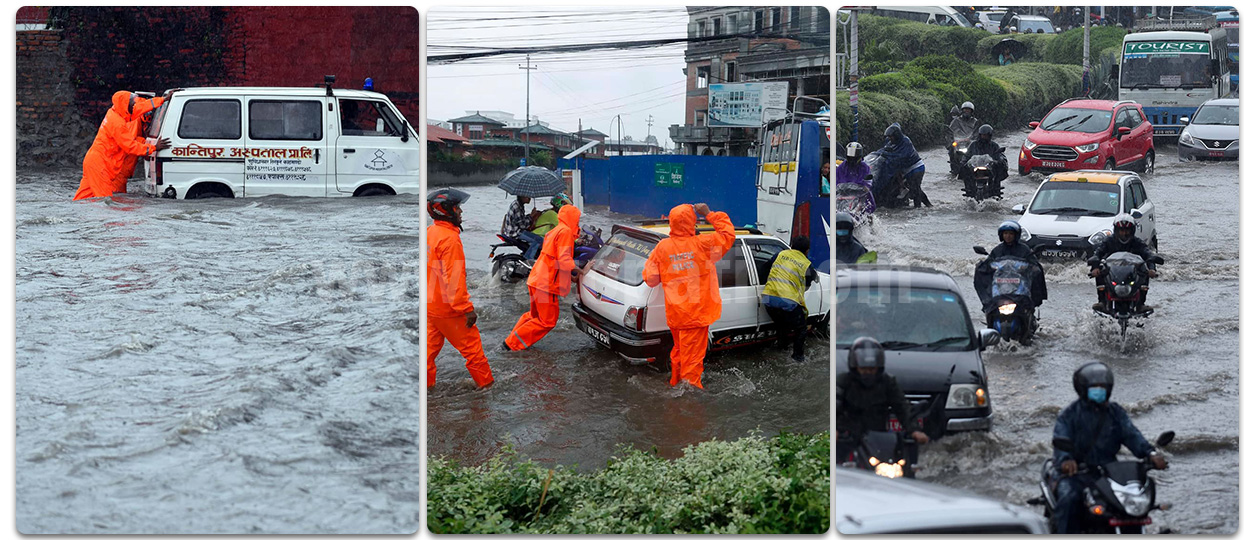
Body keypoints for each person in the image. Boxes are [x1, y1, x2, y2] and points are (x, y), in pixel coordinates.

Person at [1051, 362, 1168, 534]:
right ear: (1083, 388)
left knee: (1133, 499)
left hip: (1108, 471)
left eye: (1103, 387)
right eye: (1095, 387)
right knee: (1070, 499)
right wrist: (1066, 459)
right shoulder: (1069, 415)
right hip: (1076, 474)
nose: (1099, 390)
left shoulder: (1116, 413)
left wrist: (1150, 453)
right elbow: (1061, 439)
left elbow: (1132, 435)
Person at [642, 203, 735, 389]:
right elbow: (727, 235)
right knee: (692, 362)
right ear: (693, 221)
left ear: (671, 222)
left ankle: (676, 385)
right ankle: (689, 403)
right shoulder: (703, 244)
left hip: (676, 315)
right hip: (696, 315)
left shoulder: (663, 247)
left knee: (678, 353)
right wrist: (709, 214)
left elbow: (651, 279)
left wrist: (672, 270)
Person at [427, 188, 495, 389]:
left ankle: (426, 390)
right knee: (474, 352)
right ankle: (487, 390)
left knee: (427, 354)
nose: (461, 212)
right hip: (449, 309)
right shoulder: (450, 239)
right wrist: (466, 309)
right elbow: (454, 281)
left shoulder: (430, 233)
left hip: (431, 306)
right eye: (457, 208)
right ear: (445, 210)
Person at [836, 337, 930, 463]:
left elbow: (902, 407)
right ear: (855, 367)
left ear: (878, 368)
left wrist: (914, 430)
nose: (868, 373)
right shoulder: (843, 381)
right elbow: (833, 406)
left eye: (872, 369)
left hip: (878, 438)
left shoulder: (888, 382)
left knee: (902, 463)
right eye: (863, 369)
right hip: (847, 438)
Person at [504, 202, 582, 351]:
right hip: (546, 284)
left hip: (536, 279)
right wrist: (581, 270)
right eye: (578, 220)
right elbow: (564, 260)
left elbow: (553, 258)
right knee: (547, 321)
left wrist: (570, 278)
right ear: (573, 219)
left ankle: (513, 340)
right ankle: (511, 344)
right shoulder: (565, 232)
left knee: (534, 316)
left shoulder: (555, 230)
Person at [74, 91, 172, 200]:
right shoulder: (117, 123)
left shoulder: (116, 112)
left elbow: (140, 107)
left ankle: (72, 216)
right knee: (105, 201)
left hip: (94, 161)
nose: (135, 105)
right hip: (100, 165)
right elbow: (130, 146)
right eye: (132, 103)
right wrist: (153, 147)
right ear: (125, 104)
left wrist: (162, 99)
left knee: (82, 198)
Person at [760, 236, 818, 362]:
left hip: (768, 299)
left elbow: (764, 268)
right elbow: (807, 283)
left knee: (781, 325)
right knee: (801, 329)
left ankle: (782, 348)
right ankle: (798, 358)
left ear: (791, 245)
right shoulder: (807, 265)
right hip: (788, 302)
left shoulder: (780, 254)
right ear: (807, 250)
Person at [1090, 216, 1159, 312]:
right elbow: (1098, 253)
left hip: (1131, 274)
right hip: (1113, 273)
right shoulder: (1109, 241)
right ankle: (1102, 301)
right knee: (1101, 269)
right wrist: (1095, 268)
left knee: (1144, 270)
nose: (1124, 233)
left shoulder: (1137, 242)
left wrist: (1152, 269)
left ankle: (1140, 304)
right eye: (1121, 230)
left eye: (1127, 230)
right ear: (1116, 230)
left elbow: (1148, 254)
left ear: (1132, 230)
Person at [974, 221, 1047, 310]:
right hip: (1001, 285)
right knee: (991, 308)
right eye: (1005, 233)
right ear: (1001, 235)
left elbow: (1034, 264)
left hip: (1020, 285)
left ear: (1016, 235)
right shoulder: (997, 250)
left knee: (1027, 306)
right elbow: (989, 263)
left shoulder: (1024, 249)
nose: (1008, 236)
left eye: (1011, 233)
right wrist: (982, 266)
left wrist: (1031, 268)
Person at [112, 93, 164, 194]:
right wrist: (151, 146)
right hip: (119, 168)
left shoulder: (131, 115)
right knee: (116, 195)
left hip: (120, 168)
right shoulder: (132, 120)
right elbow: (130, 144)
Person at [874, 123, 931, 208]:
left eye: (891, 137)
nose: (890, 138)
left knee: (915, 189)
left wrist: (887, 154)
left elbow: (900, 156)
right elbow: (883, 150)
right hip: (905, 170)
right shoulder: (891, 142)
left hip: (915, 168)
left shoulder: (905, 141)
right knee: (916, 189)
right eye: (889, 137)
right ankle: (928, 205)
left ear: (896, 135)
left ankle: (918, 209)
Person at [963, 124, 1009, 192]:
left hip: (989, 168)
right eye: (982, 135)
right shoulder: (973, 145)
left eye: (986, 135)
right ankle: (969, 189)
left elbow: (999, 155)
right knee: (966, 171)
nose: (984, 137)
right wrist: (964, 161)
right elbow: (967, 155)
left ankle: (995, 189)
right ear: (979, 135)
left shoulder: (994, 146)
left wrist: (999, 160)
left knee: (998, 171)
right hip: (975, 167)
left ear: (990, 135)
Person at [836, 142, 875, 214]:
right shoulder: (842, 166)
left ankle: (867, 217)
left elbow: (867, 183)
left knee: (870, 204)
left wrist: (865, 186)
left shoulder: (864, 167)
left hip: (859, 193)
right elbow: (836, 180)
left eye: (855, 153)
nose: (852, 157)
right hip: (844, 193)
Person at [501, 194, 542, 260]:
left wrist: (531, 216)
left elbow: (520, 220)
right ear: (522, 196)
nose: (530, 198)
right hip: (515, 232)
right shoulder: (517, 207)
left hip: (514, 230)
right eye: (528, 197)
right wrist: (531, 216)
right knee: (539, 240)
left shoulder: (518, 204)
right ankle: (529, 260)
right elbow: (523, 225)